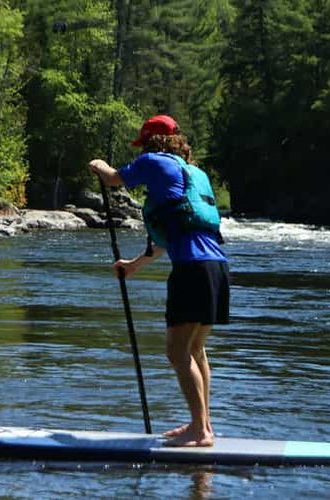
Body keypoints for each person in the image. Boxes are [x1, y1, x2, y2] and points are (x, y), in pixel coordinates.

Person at [88, 115, 230, 447]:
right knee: (195, 348)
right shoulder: (195, 175)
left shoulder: (153, 161)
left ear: (151, 142)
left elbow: (113, 179)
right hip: (218, 269)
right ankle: (203, 425)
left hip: (192, 270)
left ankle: (200, 429)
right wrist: (135, 265)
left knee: (176, 352)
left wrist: (97, 164)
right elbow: (172, 235)